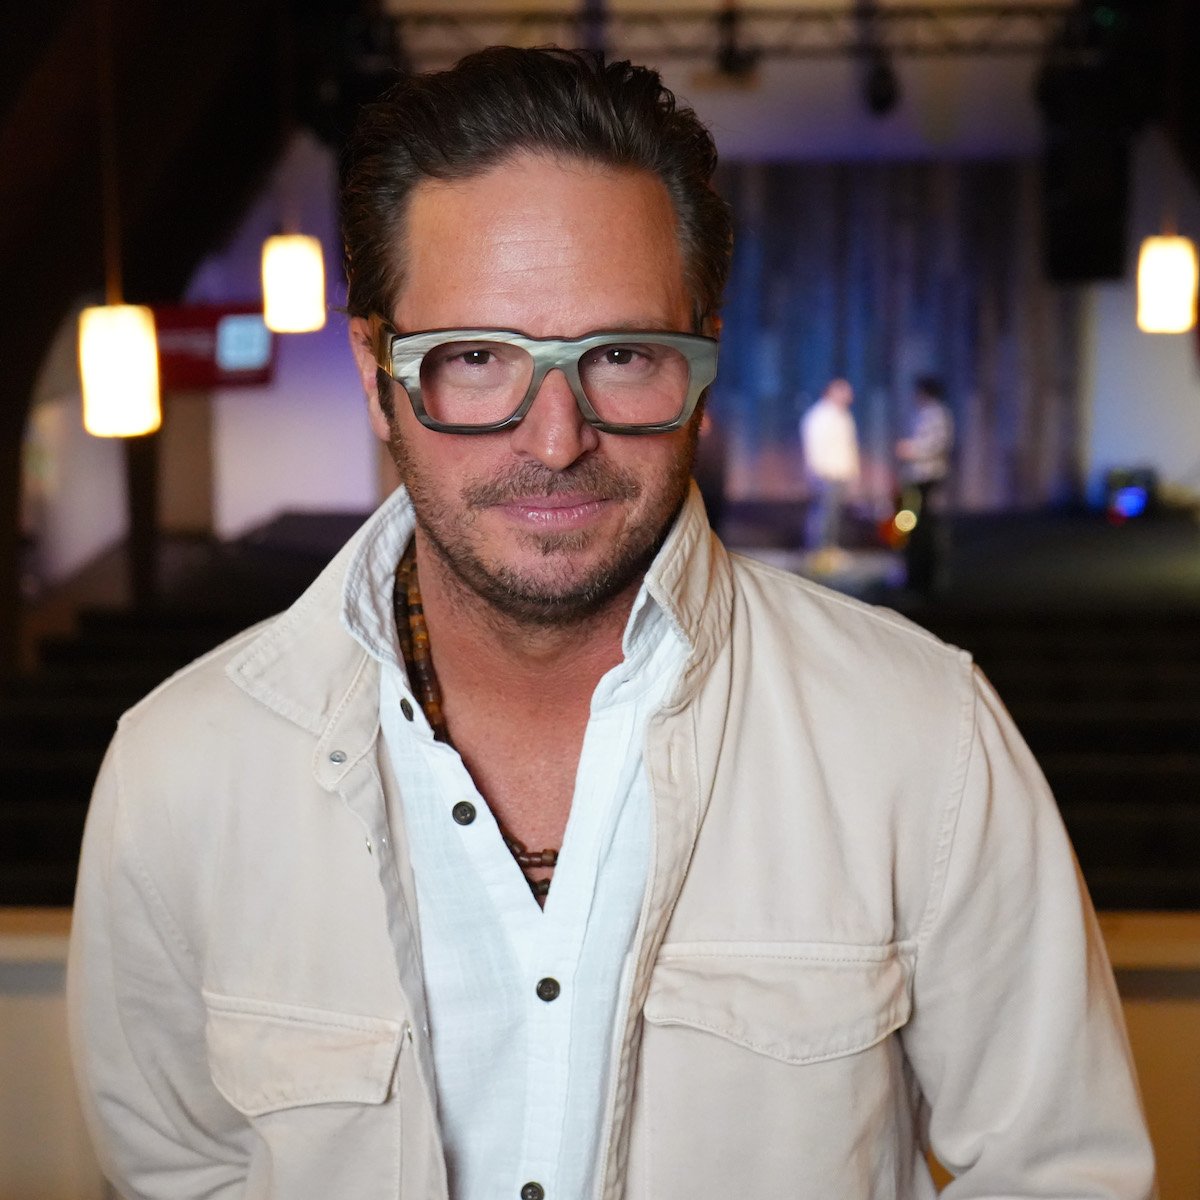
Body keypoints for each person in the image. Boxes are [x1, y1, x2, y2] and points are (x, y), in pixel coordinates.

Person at [67, 46, 1154, 1200]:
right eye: (477, 358)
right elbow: (175, 1176)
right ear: (378, 372)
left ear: (705, 362)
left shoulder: (925, 738)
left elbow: (1060, 1175)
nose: (554, 440)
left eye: (622, 354)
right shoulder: (177, 769)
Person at [896, 374, 955, 593]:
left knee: (922, 527)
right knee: (914, 526)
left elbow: (936, 443)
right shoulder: (927, 413)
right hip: (919, 477)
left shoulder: (936, 414)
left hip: (927, 476)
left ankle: (924, 579)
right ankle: (917, 576)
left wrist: (911, 449)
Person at [800, 377, 860, 556]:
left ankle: (830, 550)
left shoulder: (844, 416)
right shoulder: (819, 416)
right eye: (844, 391)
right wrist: (820, 471)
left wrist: (853, 472)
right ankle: (818, 552)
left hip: (841, 473)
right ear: (832, 392)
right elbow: (814, 447)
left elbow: (849, 447)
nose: (849, 396)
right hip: (826, 474)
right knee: (823, 514)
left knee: (834, 515)